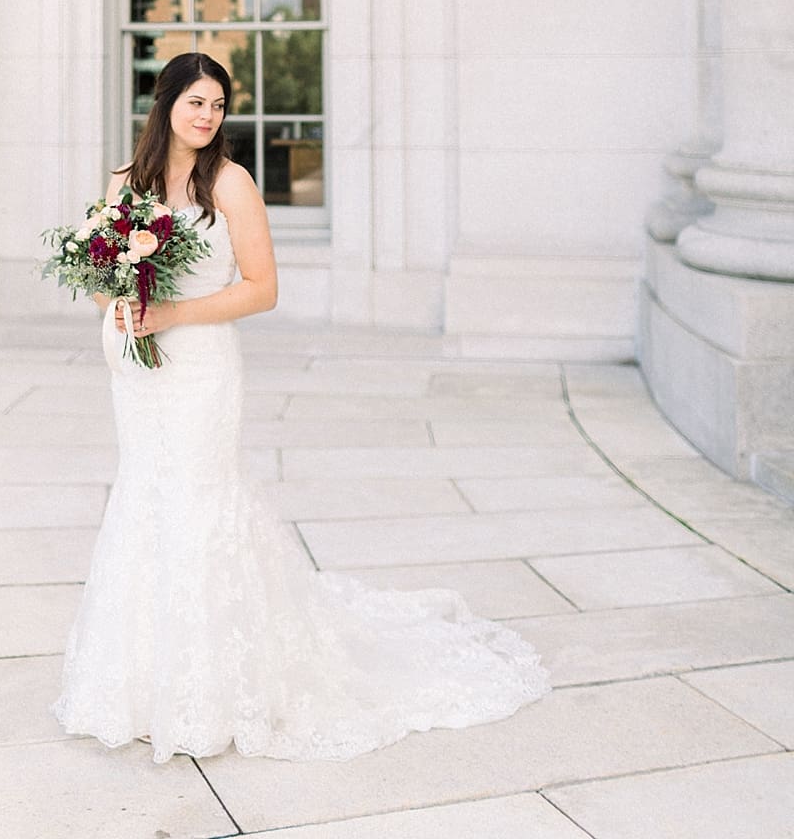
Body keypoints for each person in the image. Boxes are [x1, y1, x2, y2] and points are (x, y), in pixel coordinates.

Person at [50, 51, 549, 763]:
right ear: (162, 105)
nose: (207, 116)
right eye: (195, 102)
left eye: (218, 106)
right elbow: (99, 274)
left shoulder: (231, 183)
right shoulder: (124, 183)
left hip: (200, 370)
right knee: (144, 497)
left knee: (198, 500)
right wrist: (121, 303)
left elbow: (262, 288)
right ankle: (137, 685)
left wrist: (174, 314)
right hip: (137, 372)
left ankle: (214, 691)